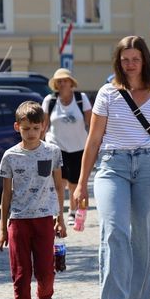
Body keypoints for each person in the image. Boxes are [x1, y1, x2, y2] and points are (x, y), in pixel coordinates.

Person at [73, 36, 150, 299]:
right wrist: (81, 183)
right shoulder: (107, 93)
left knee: (144, 236)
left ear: (145, 61)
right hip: (112, 166)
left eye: (135, 59)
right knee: (114, 231)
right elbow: (93, 140)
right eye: (125, 59)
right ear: (118, 62)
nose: (130, 64)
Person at [0, 101, 67, 299]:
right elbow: (6, 194)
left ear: (43, 127)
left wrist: (61, 218)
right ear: (17, 127)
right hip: (19, 220)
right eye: (26, 128)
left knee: (46, 272)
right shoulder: (10, 156)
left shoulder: (52, 152)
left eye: (36, 128)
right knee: (20, 274)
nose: (31, 133)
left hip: (44, 219)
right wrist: (2, 229)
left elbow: (59, 186)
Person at [41, 68, 91, 225]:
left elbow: (90, 123)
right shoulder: (49, 100)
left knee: (74, 182)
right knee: (59, 182)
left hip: (78, 146)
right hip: (56, 146)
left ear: (71, 83)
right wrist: (39, 146)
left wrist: (94, 145)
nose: (62, 84)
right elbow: (44, 125)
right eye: (59, 81)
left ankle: (73, 211)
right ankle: (58, 213)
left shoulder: (81, 98)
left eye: (65, 81)